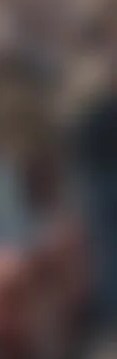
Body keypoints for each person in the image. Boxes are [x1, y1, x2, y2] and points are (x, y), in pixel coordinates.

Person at [73, 60, 117, 326]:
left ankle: (109, 309)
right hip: (103, 183)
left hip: (101, 186)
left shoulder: (98, 112)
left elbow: (81, 144)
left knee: (105, 248)